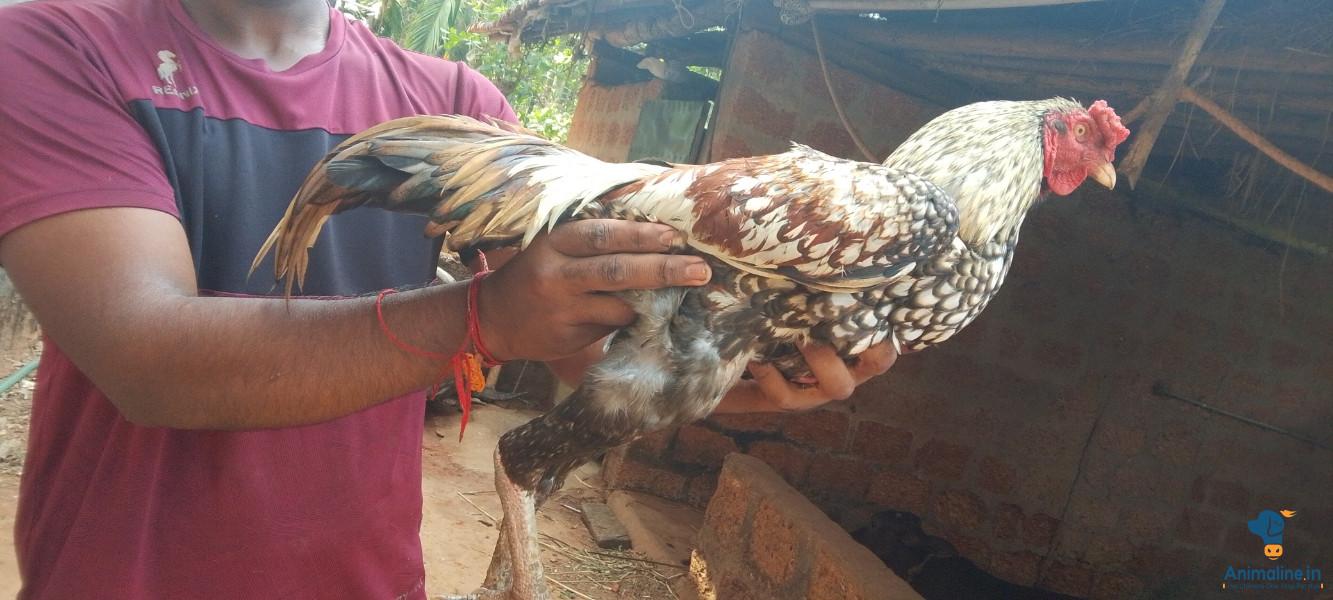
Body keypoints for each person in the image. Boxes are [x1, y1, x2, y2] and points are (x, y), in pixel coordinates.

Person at [0, 0, 897, 597]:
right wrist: (479, 316)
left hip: (365, 578)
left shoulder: (451, 100)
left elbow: (582, 348)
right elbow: (146, 359)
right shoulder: (51, 42)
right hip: (128, 574)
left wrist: (734, 380)